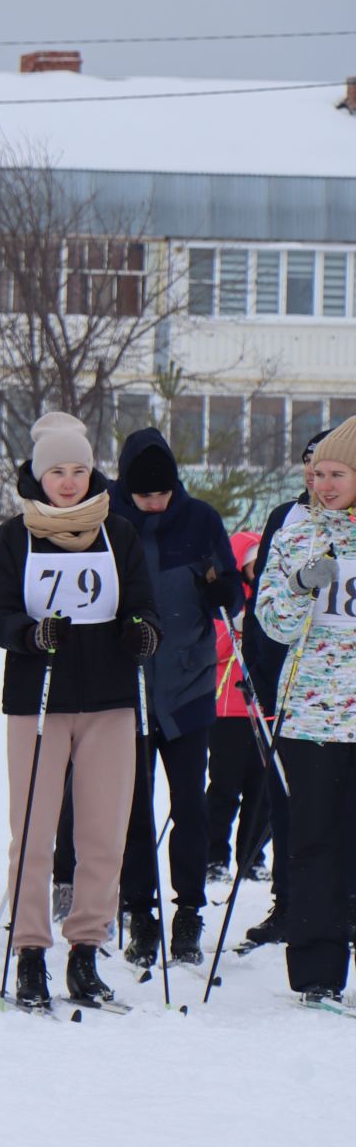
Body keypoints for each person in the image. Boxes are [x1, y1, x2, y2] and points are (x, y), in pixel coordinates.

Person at [0, 412, 159, 1011]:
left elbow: (143, 605)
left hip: (108, 699)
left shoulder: (119, 532)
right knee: (32, 832)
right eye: (57, 471)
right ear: (39, 473)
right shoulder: (16, 535)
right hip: (38, 700)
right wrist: (29, 634)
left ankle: (85, 950)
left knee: (103, 832)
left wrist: (142, 632)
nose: (68, 481)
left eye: (79, 470)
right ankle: (30, 951)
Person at [110, 428, 240, 966]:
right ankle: (140, 912)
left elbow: (231, 595)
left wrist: (218, 588)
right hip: (127, 687)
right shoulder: (109, 524)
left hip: (187, 684)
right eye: (145, 496)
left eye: (163, 493)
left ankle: (189, 912)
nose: (156, 503)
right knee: (133, 810)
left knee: (191, 806)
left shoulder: (201, 519)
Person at [255, 415, 356, 1002]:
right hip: (313, 718)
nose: (323, 483)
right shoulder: (296, 535)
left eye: (337, 473)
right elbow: (274, 623)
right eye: (316, 473)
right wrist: (297, 585)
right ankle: (317, 973)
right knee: (314, 841)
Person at [238, 427, 334, 948]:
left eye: (326, 465)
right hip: (284, 681)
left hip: (336, 689)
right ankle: (288, 902)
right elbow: (265, 602)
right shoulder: (286, 517)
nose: (314, 474)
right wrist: (255, 669)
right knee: (282, 797)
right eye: (308, 463)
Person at [206, 531, 268, 886]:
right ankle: (214, 856)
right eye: (251, 561)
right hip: (228, 709)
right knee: (225, 786)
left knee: (261, 789)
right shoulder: (224, 600)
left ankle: (252, 855)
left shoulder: (270, 596)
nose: (256, 569)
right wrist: (237, 631)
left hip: (263, 710)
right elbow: (211, 647)